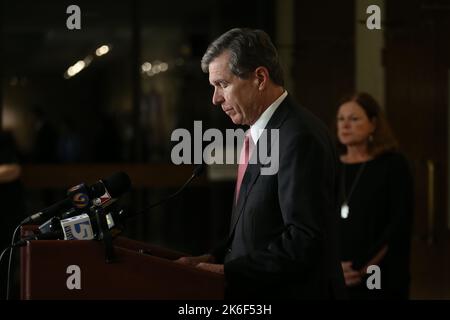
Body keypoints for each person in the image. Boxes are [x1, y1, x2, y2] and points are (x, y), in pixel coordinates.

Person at [176, 28, 346, 299]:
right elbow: (259, 228)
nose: (215, 99)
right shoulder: (264, 132)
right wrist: (210, 259)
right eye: (213, 87)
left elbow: (304, 240)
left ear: (260, 78)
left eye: (223, 84)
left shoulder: (299, 137)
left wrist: (226, 273)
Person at [335, 92, 413, 299]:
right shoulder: (331, 164)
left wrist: (361, 267)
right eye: (341, 119)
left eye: (354, 119)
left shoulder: (393, 164)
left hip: (379, 272)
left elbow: (398, 223)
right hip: (335, 273)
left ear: (373, 124)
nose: (345, 125)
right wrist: (333, 266)